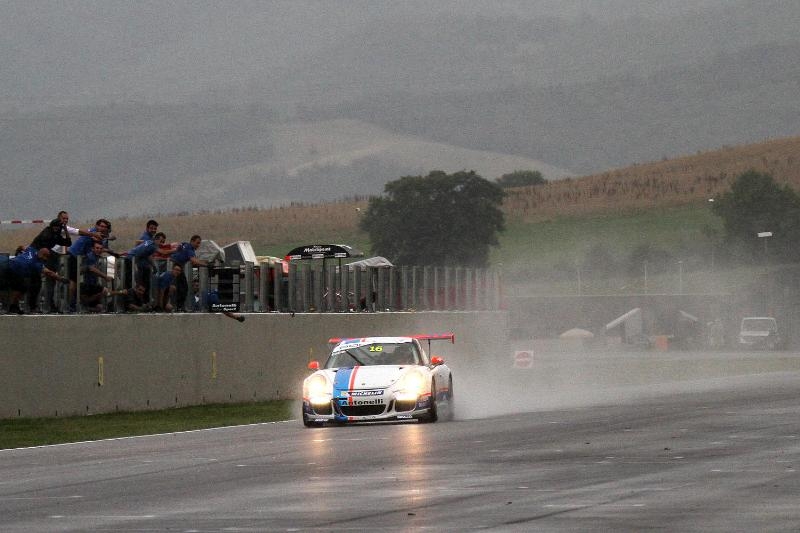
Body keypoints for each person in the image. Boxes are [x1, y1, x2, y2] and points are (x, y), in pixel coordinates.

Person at [66, 218, 113, 311]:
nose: (102, 228)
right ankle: (70, 304)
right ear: (97, 226)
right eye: (101, 226)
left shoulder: (97, 236)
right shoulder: (93, 233)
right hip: (74, 255)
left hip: (81, 257)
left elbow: (103, 243)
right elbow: (98, 239)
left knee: (81, 278)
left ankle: (79, 303)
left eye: (105, 227)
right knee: (73, 281)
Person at [3, 246, 65, 314]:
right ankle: (12, 306)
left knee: (17, 287)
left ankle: (11, 306)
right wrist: (61, 279)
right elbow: (49, 273)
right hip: (13, 270)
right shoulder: (36, 264)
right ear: (42, 255)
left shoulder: (31, 249)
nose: (46, 260)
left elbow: (22, 247)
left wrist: (18, 252)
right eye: (46, 257)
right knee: (22, 287)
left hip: (8, 264)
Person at [28, 218, 72, 313]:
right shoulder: (47, 234)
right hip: (36, 257)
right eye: (55, 227)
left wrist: (65, 229)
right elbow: (44, 248)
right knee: (37, 282)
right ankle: (35, 306)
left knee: (45, 282)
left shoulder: (56, 235)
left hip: (42, 258)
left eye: (58, 227)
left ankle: (44, 306)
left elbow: (68, 243)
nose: (56, 229)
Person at [126, 231, 171, 300]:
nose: (162, 244)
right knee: (139, 285)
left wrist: (154, 266)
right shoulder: (152, 245)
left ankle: (144, 301)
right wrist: (175, 250)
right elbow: (163, 252)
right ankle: (136, 302)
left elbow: (148, 255)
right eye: (161, 241)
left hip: (140, 264)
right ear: (156, 239)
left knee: (145, 285)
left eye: (163, 242)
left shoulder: (149, 242)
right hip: (134, 263)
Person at [169, 235, 207, 311]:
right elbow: (194, 261)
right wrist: (207, 265)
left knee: (180, 287)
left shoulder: (185, 244)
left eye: (199, 243)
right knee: (182, 288)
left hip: (177, 265)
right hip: (177, 266)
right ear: (192, 241)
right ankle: (179, 307)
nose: (198, 245)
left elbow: (179, 249)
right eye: (197, 243)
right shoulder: (190, 248)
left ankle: (178, 306)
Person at [79, 241, 113, 312]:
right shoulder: (90, 256)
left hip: (93, 284)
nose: (99, 250)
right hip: (86, 284)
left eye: (101, 248)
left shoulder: (97, 257)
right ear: (92, 249)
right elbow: (92, 269)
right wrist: (105, 277)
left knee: (100, 307)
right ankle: (84, 306)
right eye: (97, 248)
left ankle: (88, 308)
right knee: (105, 291)